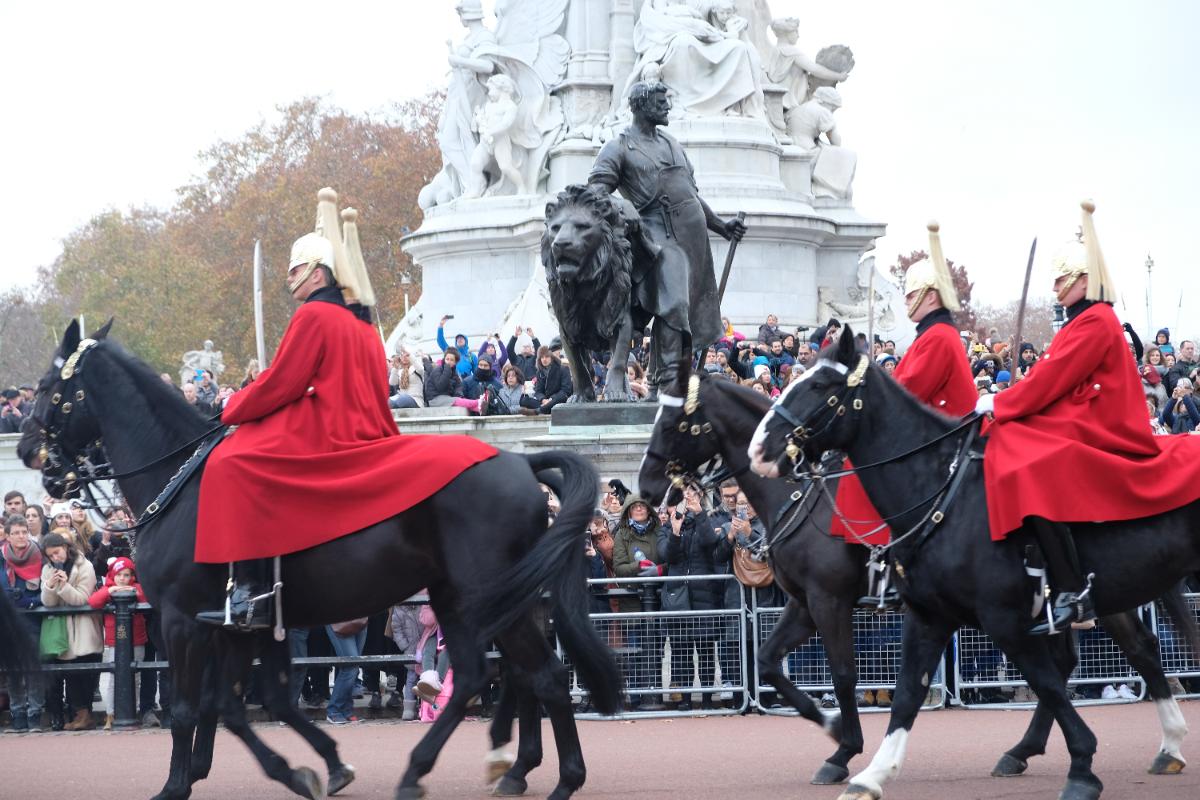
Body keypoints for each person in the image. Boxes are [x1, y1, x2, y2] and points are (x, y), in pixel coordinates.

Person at [195, 197, 496, 628]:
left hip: (327, 425)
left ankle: (249, 592)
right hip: (371, 423)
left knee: (230, 461)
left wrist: (233, 407)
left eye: (295, 270)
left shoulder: (313, 316)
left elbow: (282, 383)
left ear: (318, 273)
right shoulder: (364, 328)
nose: (289, 278)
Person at [976, 200, 1200, 634]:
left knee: (1033, 463)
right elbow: (1046, 375)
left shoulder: (1097, 321)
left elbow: (1053, 378)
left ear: (1083, 280)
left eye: (1062, 278)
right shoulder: (1079, 321)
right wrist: (1007, 400)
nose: (1055, 285)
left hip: (1105, 423)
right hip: (1080, 415)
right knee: (1009, 440)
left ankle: (1071, 588)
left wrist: (1000, 404)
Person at [833, 222, 977, 609]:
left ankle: (885, 559)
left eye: (911, 292)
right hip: (931, 435)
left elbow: (906, 393)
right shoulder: (930, 335)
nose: (906, 298)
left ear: (930, 296)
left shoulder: (939, 338)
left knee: (864, 468)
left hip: (943, 441)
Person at [588, 80, 745, 385]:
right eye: (660, 102)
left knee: (687, 310)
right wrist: (623, 206)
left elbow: (688, 194)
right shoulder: (619, 147)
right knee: (674, 302)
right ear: (642, 105)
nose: (667, 107)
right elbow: (595, 190)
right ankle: (672, 376)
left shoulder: (672, 143)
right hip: (654, 234)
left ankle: (662, 378)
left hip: (693, 237)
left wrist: (721, 226)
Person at [658, 486, 721, 710]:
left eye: (691, 497)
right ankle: (683, 697)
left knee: (705, 650)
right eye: (682, 499)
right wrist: (675, 532)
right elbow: (667, 555)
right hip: (678, 597)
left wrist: (700, 513)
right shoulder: (667, 528)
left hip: (704, 594)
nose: (687, 502)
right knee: (680, 650)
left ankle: (706, 698)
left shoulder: (707, 521)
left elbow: (710, 543)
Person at [40, 531, 103, 730]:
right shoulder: (47, 569)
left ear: (66, 547)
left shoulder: (85, 566)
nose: (55, 558)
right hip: (61, 629)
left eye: (57, 552)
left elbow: (81, 599)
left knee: (84, 673)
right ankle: (76, 715)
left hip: (83, 628)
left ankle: (85, 716)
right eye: (50, 555)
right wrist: (50, 586)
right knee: (67, 674)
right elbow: (48, 603)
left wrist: (64, 586)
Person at [611, 494, 666, 710]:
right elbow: (619, 568)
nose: (640, 509)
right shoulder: (622, 535)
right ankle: (635, 698)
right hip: (633, 600)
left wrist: (660, 570)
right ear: (628, 510)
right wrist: (638, 567)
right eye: (635, 506)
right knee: (635, 652)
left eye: (643, 506)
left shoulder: (659, 531)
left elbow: (668, 557)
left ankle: (655, 694)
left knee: (657, 651)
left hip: (658, 598)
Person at [87, 556, 148, 730]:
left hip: (136, 638)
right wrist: (111, 590)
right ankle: (110, 713)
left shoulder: (136, 588)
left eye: (127, 575)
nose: (123, 578)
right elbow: (93, 602)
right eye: (119, 575)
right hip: (116, 640)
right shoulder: (108, 589)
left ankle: (133, 710)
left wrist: (134, 591)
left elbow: (146, 598)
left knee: (135, 677)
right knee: (114, 679)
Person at [3, 515, 44, 732]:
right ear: (7, 536)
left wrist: (30, 601)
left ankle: (35, 715)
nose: (21, 536)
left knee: (32, 668)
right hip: (8, 622)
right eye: (16, 532)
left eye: (24, 531)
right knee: (13, 671)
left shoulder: (39, 555)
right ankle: (17, 714)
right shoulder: (1, 558)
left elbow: (46, 589)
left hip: (32, 619)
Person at [325, 617, 367, 725]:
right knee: (351, 666)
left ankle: (346, 709)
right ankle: (334, 709)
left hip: (360, 615)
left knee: (353, 666)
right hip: (338, 616)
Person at [519, 347, 572, 415]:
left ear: (552, 358)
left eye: (547, 357)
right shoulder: (539, 372)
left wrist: (551, 399)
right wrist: (543, 399)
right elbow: (538, 391)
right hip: (545, 401)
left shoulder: (563, 369)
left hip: (558, 400)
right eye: (542, 357)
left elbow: (566, 390)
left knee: (560, 397)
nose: (544, 359)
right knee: (524, 400)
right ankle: (546, 409)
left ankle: (537, 411)